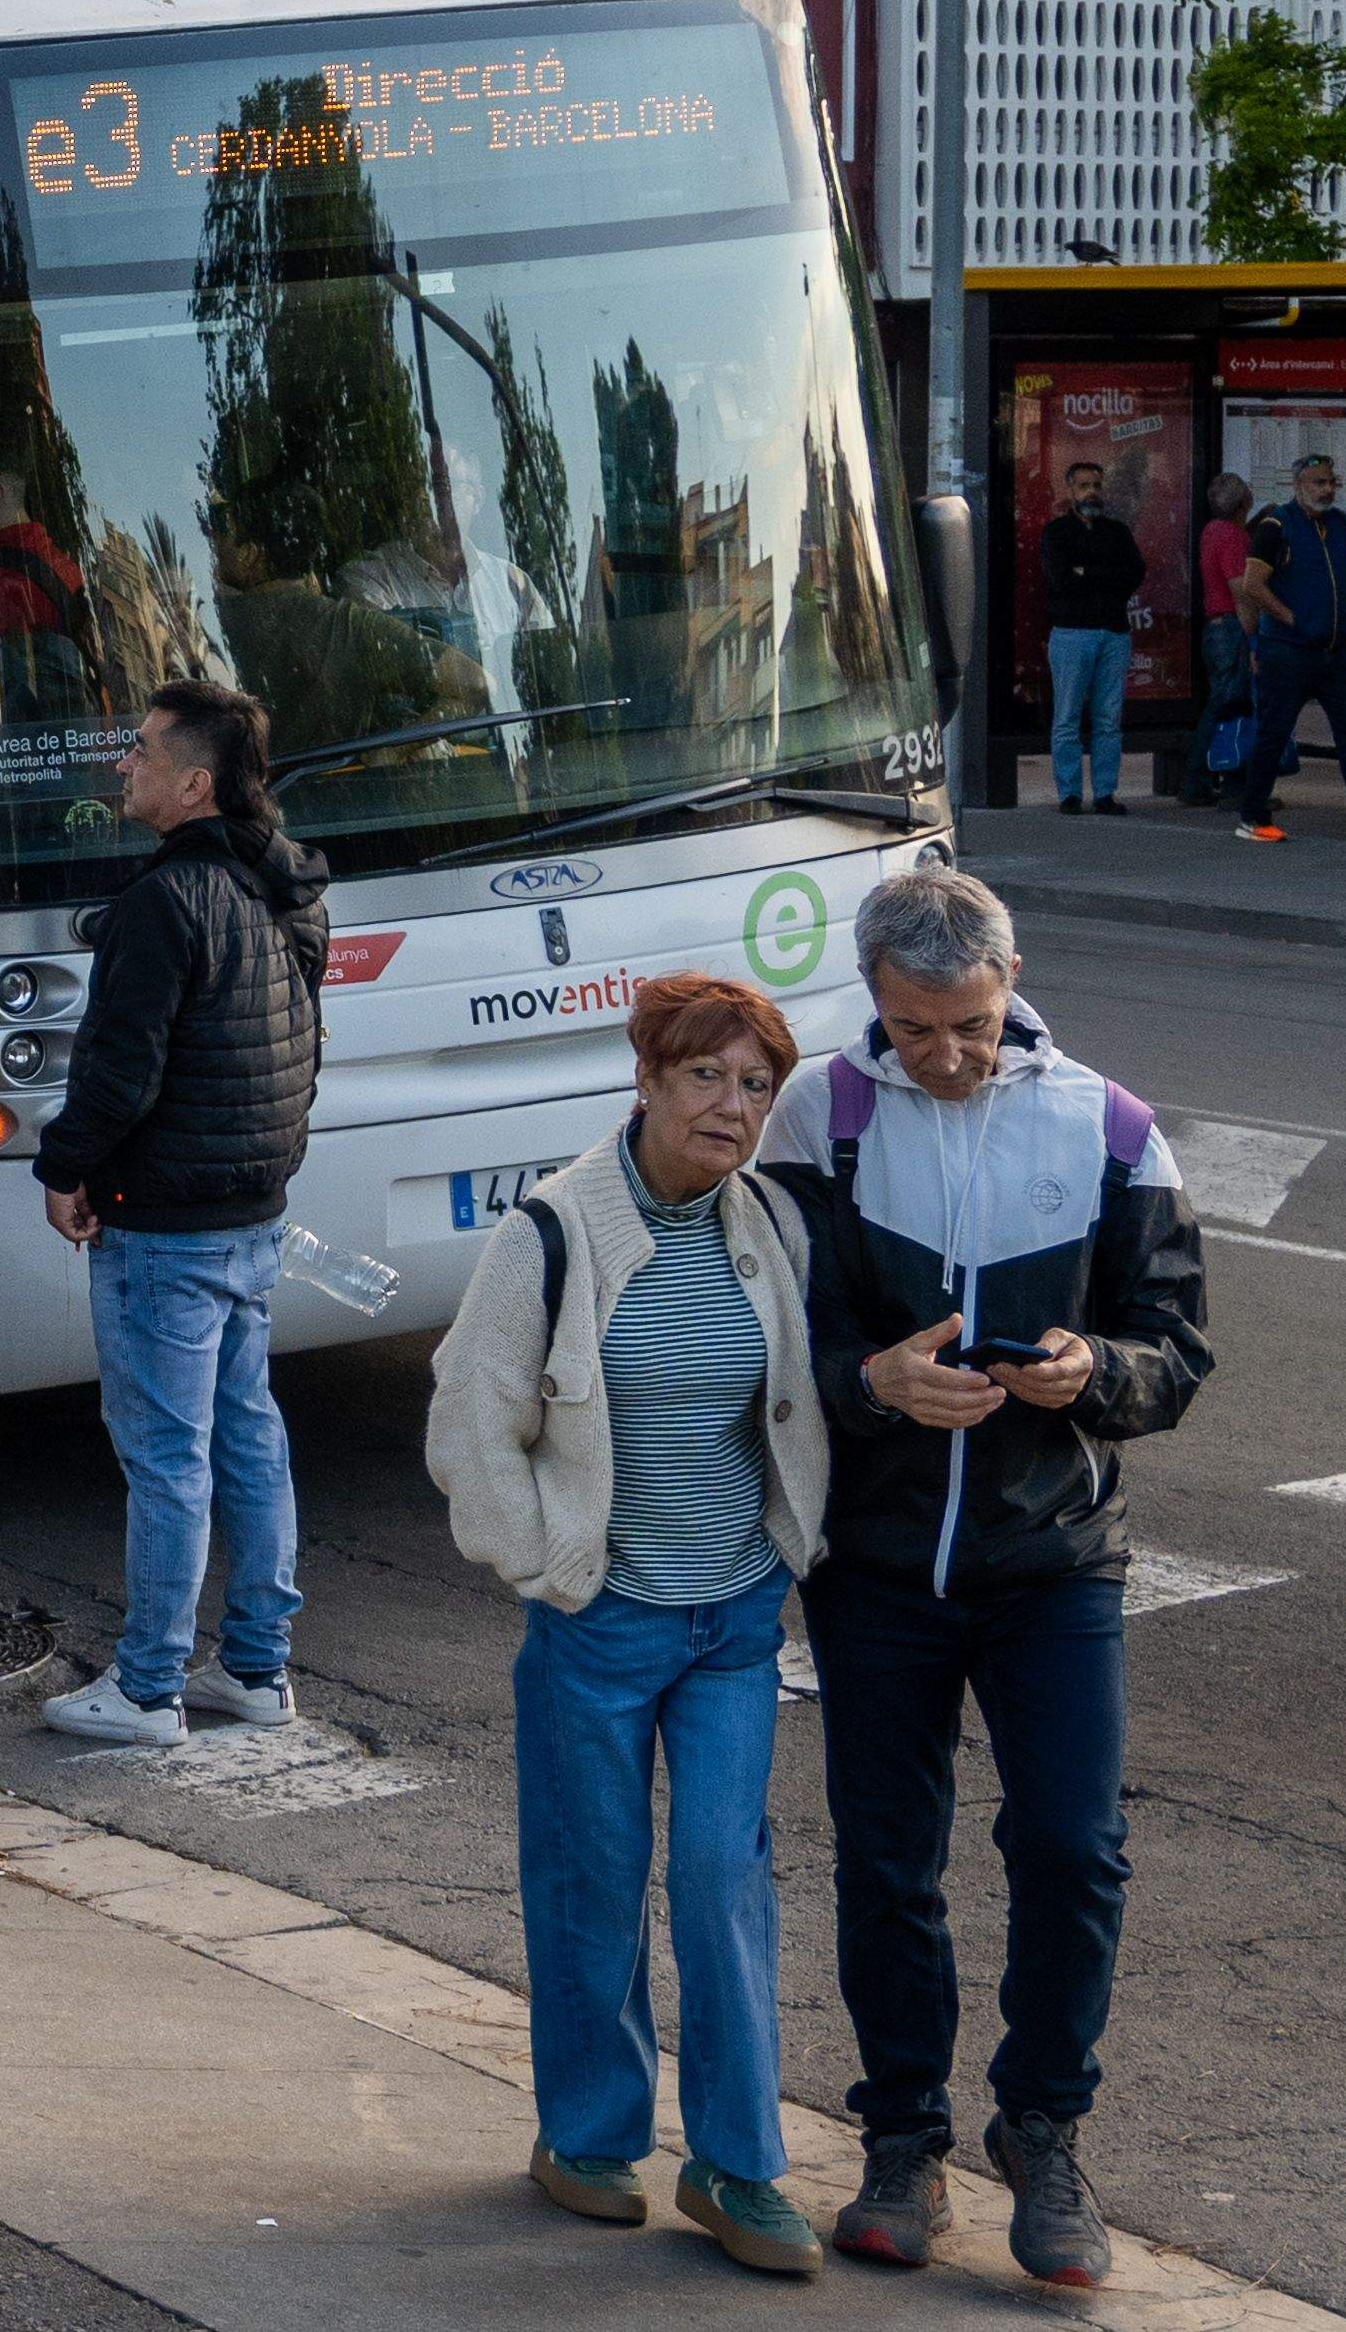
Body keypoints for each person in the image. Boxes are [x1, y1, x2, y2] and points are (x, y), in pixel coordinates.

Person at [756, 866, 1208, 2291]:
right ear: (874, 1005)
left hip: (1052, 1556)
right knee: (889, 1862)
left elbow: (1175, 1346)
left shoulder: (1111, 1126)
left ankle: (1043, 2128)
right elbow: (766, 1345)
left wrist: (1094, 1374)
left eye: (971, 1022)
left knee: (1073, 1847)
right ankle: (901, 2137)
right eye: (914, 1027)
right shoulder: (816, 1120)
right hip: (875, 1562)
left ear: (1011, 989)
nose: (944, 1054)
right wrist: (870, 1380)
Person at [427, 974, 837, 2276]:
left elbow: (791, 1406)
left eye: (756, 1084)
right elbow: (470, 1417)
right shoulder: (554, 1230)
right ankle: (589, 2135)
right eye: (706, 1076)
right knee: (588, 1881)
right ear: (649, 1082)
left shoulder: (768, 1223)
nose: (732, 1106)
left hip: (729, 1621)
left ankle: (737, 2163)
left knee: (722, 1877)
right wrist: (548, 1564)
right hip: (597, 1623)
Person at [33, 679, 330, 1750]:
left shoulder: (163, 903)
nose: (125, 766)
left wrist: (62, 1166)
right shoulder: (288, 885)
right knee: (250, 1437)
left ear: (195, 781)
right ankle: (256, 1666)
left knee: (166, 1454)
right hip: (252, 1211)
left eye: (144, 752)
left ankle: (149, 1683)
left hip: (162, 1223)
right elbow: (301, 1041)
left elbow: (120, 1072)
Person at [1231, 453, 1346, 846]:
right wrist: (1292, 620)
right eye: (1317, 482)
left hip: (1335, 650)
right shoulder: (1277, 524)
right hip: (1289, 649)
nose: (1326, 489)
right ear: (1297, 486)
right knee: (1274, 732)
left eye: (1330, 481)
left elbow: (1345, 576)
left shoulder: (1340, 524)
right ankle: (1252, 814)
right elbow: (1252, 584)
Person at [1036, 458, 1142, 815]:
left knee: (1108, 719)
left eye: (1096, 485)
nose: (1091, 492)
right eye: (1083, 486)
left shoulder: (1117, 532)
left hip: (1113, 633)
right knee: (1066, 717)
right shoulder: (1057, 533)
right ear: (1070, 490)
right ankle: (1069, 792)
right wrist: (1103, 575)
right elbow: (1060, 578)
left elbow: (1134, 574)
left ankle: (1105, 793)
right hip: (1071, 633)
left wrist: (1088, 572)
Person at [1189, 471, 1253, 807]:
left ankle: (1201, 777)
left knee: (1219, 703)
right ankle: (1220, 780)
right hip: (1231, 626)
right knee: (1230, 705)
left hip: (1215, 627)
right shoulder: (1232, 536)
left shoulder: (1213, 531)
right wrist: (1251, 632)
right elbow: (1239, 588)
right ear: (1244, 501)